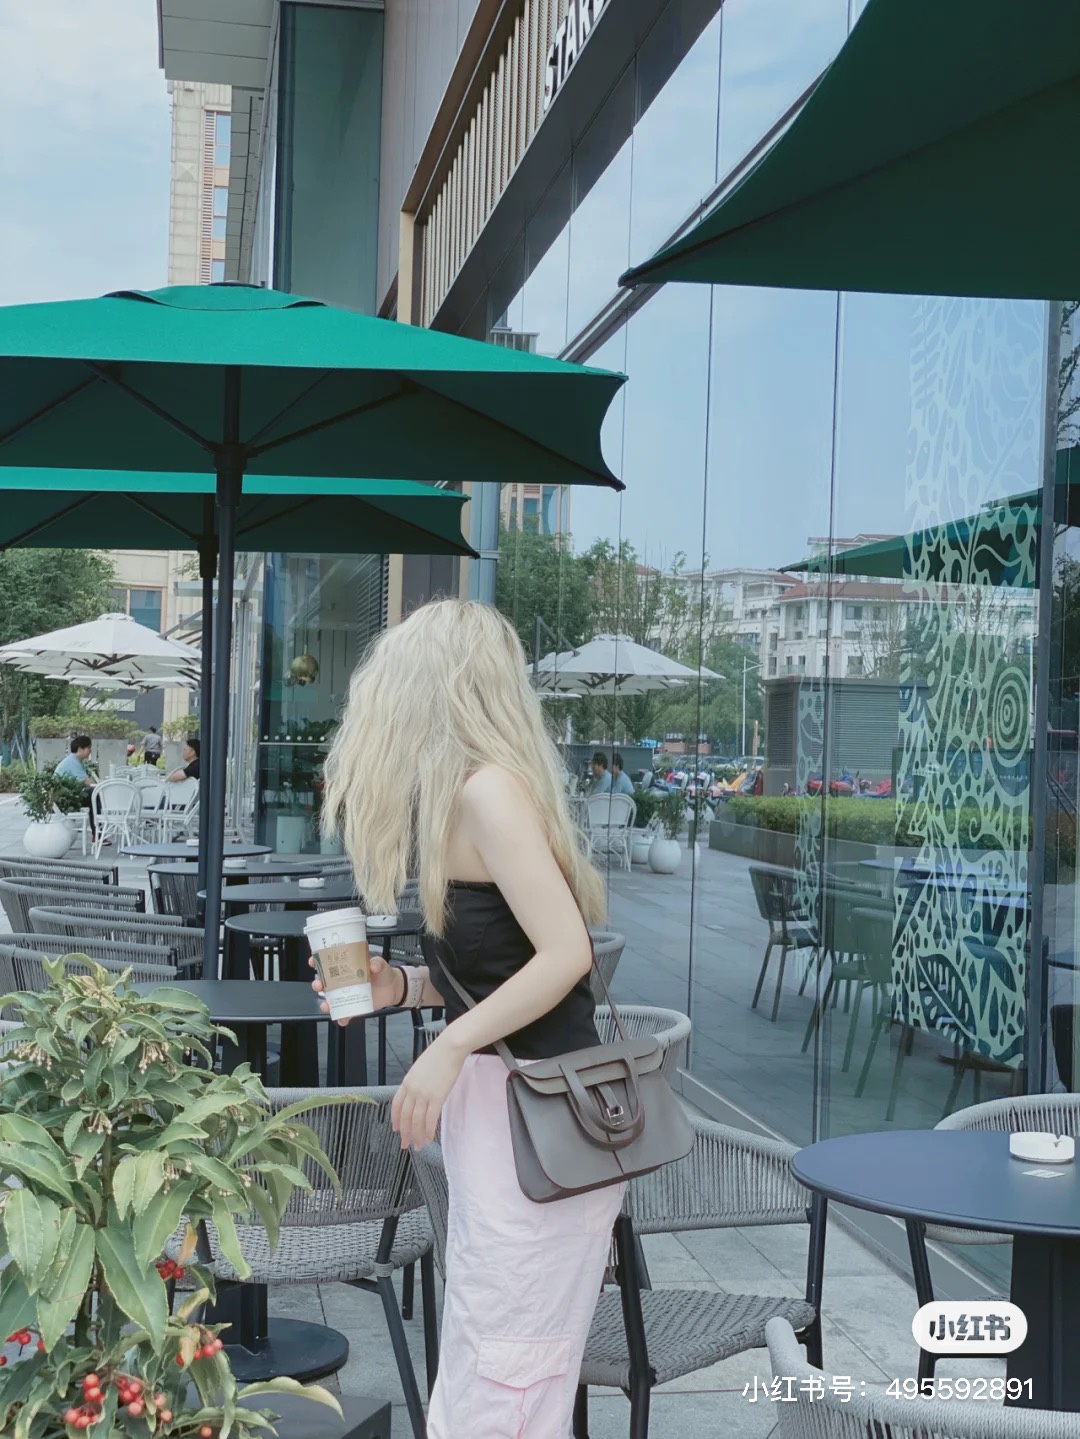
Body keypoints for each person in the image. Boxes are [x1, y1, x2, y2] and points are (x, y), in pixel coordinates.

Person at [317, 599, 624, 1438]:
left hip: (542, 1119)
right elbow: (498, 969)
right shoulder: (465, 800)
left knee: (505, 1373)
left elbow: (567, 954)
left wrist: (449, 1045)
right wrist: (400, 985)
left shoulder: (488, 793)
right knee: (498, 1363)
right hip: (508, 1116)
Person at [55, 735, 104, 844]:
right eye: (89, 748)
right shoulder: (73, 762)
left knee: (93, 795)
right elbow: (87, 782)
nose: (90, 750)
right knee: (93, 794)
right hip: (64, 799)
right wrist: (103, 787)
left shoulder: (74, 760)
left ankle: (98, 833)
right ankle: (97, 834)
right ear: (80, 749)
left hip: (66, 796)